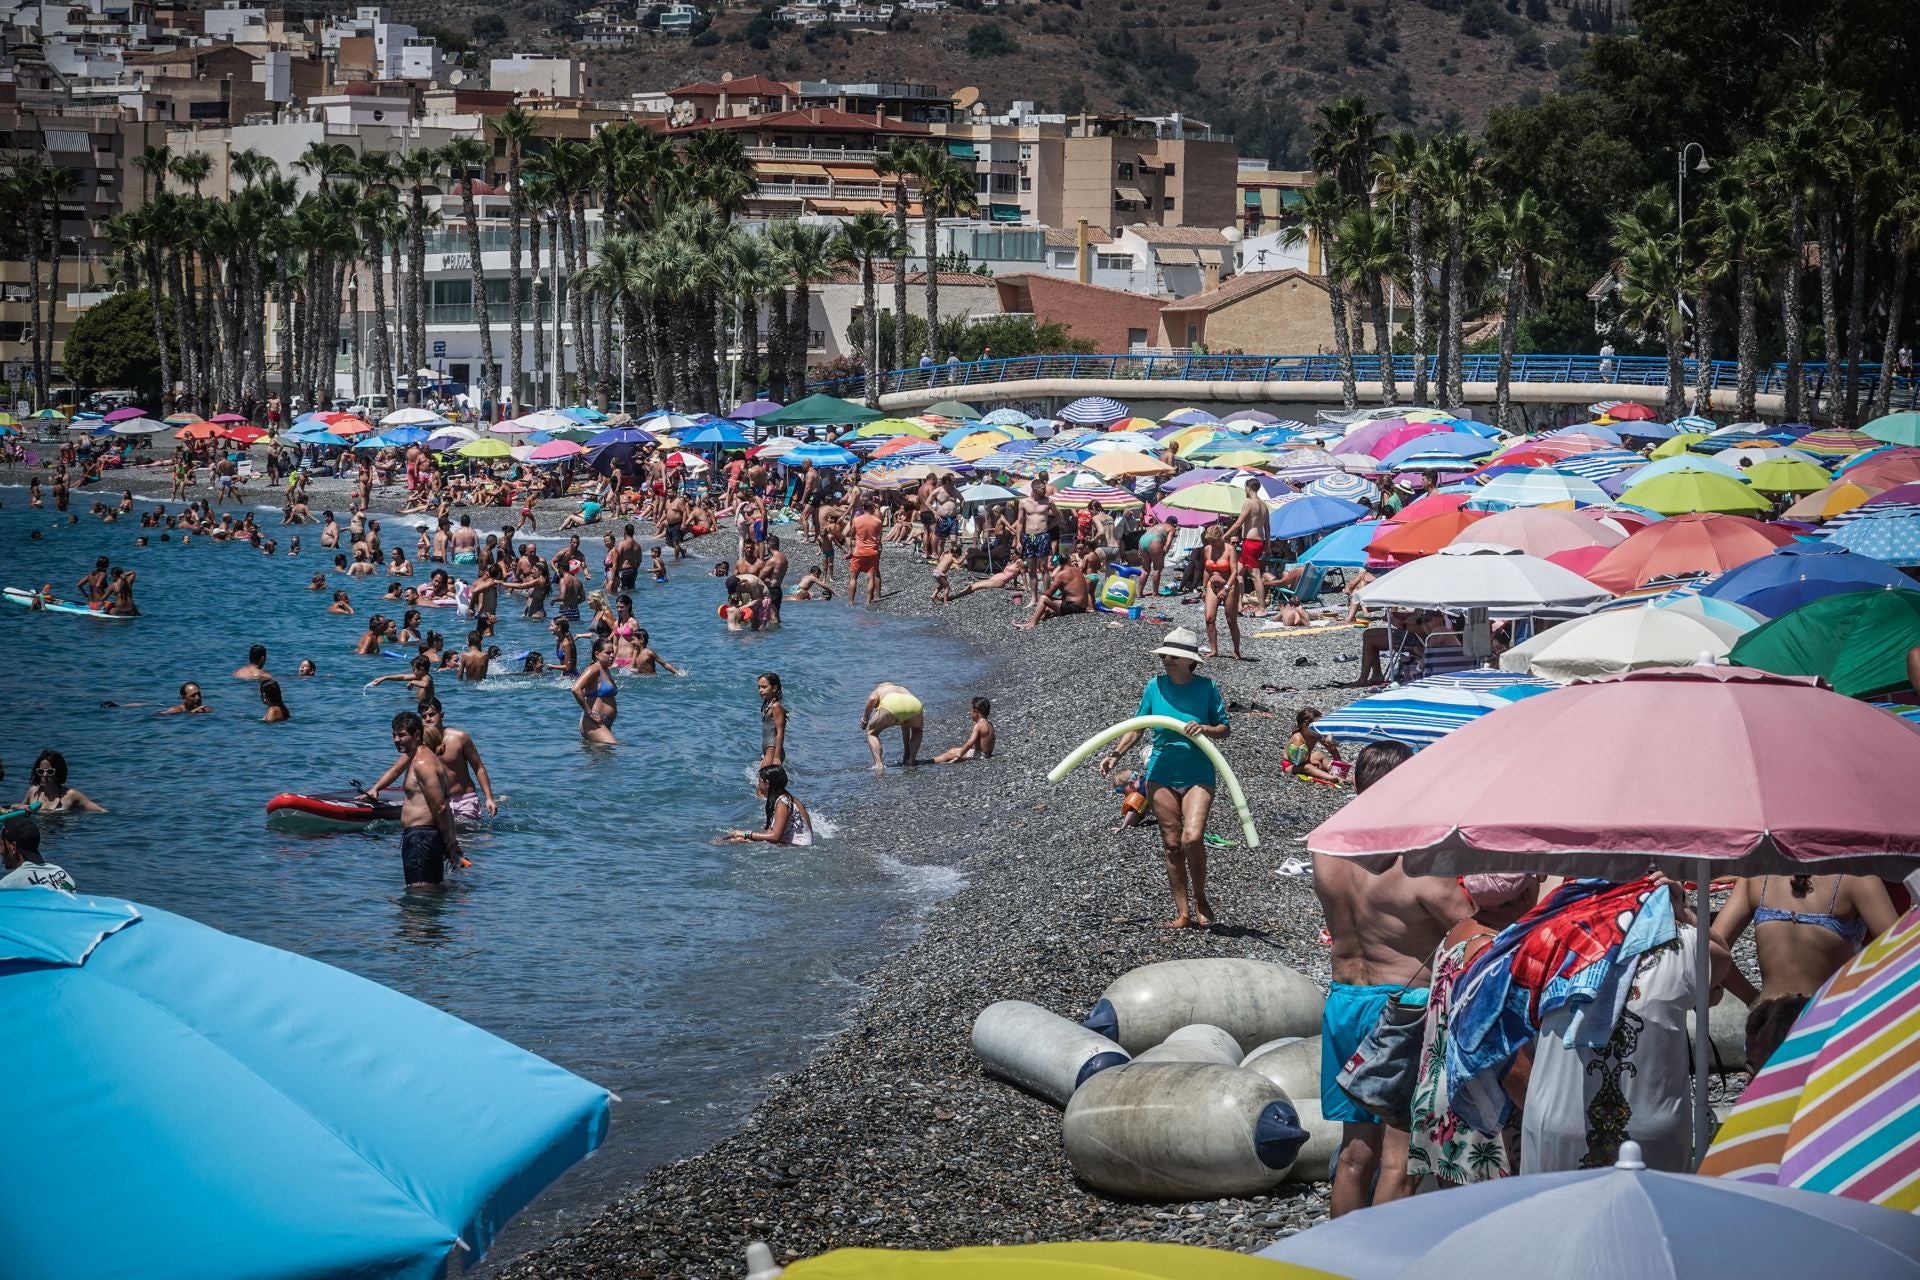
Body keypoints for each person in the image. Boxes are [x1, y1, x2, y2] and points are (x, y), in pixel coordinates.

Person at [1311, 739, 1471, 1218]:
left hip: (1344, 1000)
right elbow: (1473, 927)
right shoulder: (1419, 864)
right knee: (1400, 1160)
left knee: (1355, 1153)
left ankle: (1338, 1262)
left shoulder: (1326, 848)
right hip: (1405, 1009)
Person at [1521, 877, 1734, 1174]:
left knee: (1558, 1219)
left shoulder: (1544, 938)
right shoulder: (1684, 944)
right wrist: (1684, 912)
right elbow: (1722, 959)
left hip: (1557, 1121)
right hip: (1649, 1129)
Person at [1407, 873, 1542, 1187]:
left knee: (1459, 1222)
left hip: (1442, 1098)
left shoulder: (1458, 932)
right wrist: (1542, 1112)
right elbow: (1505, 1055)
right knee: (1497, 1225)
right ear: (1521, 894)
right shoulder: (1492, 950)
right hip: (1484, 1111)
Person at [1097, 628, 1230, 930]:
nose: (1166, 660)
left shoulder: (1207, 688)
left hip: (1198, 771)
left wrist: (1205, 729)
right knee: (1171, 843)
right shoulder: (1154, 686)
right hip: (1161, 772)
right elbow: (1138, 727)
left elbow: (1225, 728)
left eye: (1173, 656)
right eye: (1165, 655)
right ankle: (1182, 911)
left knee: (1192, 837)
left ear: (1188, 661)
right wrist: (1116, 754)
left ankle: (1201, 897)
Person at [1710, 872, 1899, 1071]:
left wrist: (1752, 999)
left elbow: (1711, 952)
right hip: (1826, 1023)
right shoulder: (1857, 877)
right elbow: (1904, 953)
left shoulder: (1756, 877)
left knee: (1771, 1098)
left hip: (1768, 1026)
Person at [380, 711, 463, 889]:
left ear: (417, 735)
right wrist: (451, 841)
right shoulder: (422, 759)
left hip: (421, 839)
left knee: (419, 898)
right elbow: (446, 806)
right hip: (425, 838)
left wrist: (449, 843)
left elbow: (440, 807)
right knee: (429, 896)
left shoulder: (423, 763)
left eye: (402, 735)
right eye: (394, 735)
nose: (396, 739)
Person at [726, 764, 814, 847]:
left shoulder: (783, 802)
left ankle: (716, 846)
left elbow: (775, 837)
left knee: (738, 839)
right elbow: (771, 832)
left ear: (767, 783)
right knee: (738, 838)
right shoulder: (785, 798)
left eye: (760, 781)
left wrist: (746, 833)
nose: (758, 785)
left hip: (797, 848)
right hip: (795, 845)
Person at [1016, 551, 1092, 629]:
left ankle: (1031, 624)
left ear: (1059, 564)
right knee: (1049, 607)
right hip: (1082, 607)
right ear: (1069, 561)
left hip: (1074, 607)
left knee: (1043, 599)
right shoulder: (1078, 570)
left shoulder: (1061, 574)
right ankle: (1033, 618)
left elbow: (1049, 594)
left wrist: (1040, 595)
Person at [1, 814, 74, 891]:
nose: (0, 851)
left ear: (13, 846)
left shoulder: (7, 886)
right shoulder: (63, 875)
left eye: (1, 844)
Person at [860, 681, 924, 769]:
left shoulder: (880, 688)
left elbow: (872, 698)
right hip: (914, 704)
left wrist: (865, 720)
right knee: (917, 729)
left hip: (891, 703)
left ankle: (879, 765)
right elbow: (905, 725)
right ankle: (911, 759)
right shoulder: (901, 689)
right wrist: (906, 753)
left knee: (871, 732)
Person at [21, 750, 105, 814]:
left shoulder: (71, 794)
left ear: (58, 772)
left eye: (50, 771)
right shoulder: (32, 792)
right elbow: (17, 811)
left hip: (61, 835)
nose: (44, 775)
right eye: (41, 771)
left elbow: (100, 811)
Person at [573, 637, 619, 744]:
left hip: (604, 721)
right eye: (608, 653)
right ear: (597, 654)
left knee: (602, 757)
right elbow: (576, 689)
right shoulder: (593, 669)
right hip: (593, 721)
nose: (612, 655)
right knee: (615, 746)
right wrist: (589, 713)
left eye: (612, 652)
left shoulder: (605, 669)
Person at [1017, 476, 1057, 597]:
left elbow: (1059, 517)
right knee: (1031, 569)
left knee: (1044, 568)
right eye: (1042, 489)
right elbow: (1019, 522)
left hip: (1043, 536)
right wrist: (1018, 541)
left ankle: (1046, 595)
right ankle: (1034, 597)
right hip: (1029, 537)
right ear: (1034, 489)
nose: (1045, 491)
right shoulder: (1023, 502)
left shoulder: (1048, 502)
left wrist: (1047, 528)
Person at [1284, 708, 1347, 784]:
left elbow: (1333, 751)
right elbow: (1298, 762)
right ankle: (1332, 777)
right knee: (1308, 767)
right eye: (1316, 726)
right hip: (1290, 765)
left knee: (1319, 755)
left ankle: (1336, 773)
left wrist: (1339, 769)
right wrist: (1313, 764)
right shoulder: (1298, 738)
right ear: (1304, 726)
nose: (1319, 729)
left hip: (1305, 761)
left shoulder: (1316, 735)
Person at [933, 696, 996, 763]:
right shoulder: (989, 724)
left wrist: (958, 756)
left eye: (971, 711)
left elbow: (970, 743)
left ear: (976, 711)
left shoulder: (979, 725)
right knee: (952, 750)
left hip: (980, 755)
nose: (971, 714)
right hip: (987, 754)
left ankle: (931, 761)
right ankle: (934, 760)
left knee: (950, 754)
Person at [848, 500, 884, 607]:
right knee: (871, 576)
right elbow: (878, 536)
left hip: (859, 551)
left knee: (854, 577)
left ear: (863, 508)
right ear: (873, 509)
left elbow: (852, 534)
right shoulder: (877, 521)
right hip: (872, 551)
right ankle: (868, 602)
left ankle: (850, 602)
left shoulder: (857, 520)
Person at [759, 672, 788, 767]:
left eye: (764, 687)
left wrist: (777, 757)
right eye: (759, 687)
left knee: (764, 781)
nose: (760, 690)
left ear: (774, 688)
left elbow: (780, 732)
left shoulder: (776, 707)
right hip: (768, 751)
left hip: (772, 751)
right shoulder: (768, 706)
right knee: (761, 781)